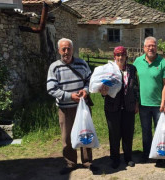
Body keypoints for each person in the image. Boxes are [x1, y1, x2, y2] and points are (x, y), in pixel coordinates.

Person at [47, 38, 98, 175]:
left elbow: (90, 80)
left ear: (72, 49)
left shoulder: (82, 63)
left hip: (82, 107)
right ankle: (70, 163)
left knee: (85, 133)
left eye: (69, 48)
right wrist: (70, 96)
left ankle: (87, 161)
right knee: (67, 136)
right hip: (65, 108)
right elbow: (51, 88)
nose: (66, 51)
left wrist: (85, 91)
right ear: (59, 50)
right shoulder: (54, 67)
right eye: (63, 49)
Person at [99, 46, 139, 169]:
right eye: (118, 55)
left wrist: (136, 103)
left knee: (128, 133)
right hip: (112, 107)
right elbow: (103, 86)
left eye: (122, 55)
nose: (120, 57)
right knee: (114, 134)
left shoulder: (132, 69)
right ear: (114, 56)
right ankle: (115, 158)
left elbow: (135, 86)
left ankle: (128, 158)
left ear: (126, 56)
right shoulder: (110, 69)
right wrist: (103, 92)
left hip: (128, 106)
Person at [133, 36, 165, 166]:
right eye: (148, 45)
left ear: (156, 47)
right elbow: (134, 82)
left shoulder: (163, 63)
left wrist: (163, 102)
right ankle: (147, 154)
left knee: (160, 130)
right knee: (146, 130)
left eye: (153, 45)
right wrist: (136, 102)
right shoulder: (137, 62)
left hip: (158, 104)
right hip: (143, 104)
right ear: (144, 48)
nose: (151, 48)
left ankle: (160, 155)